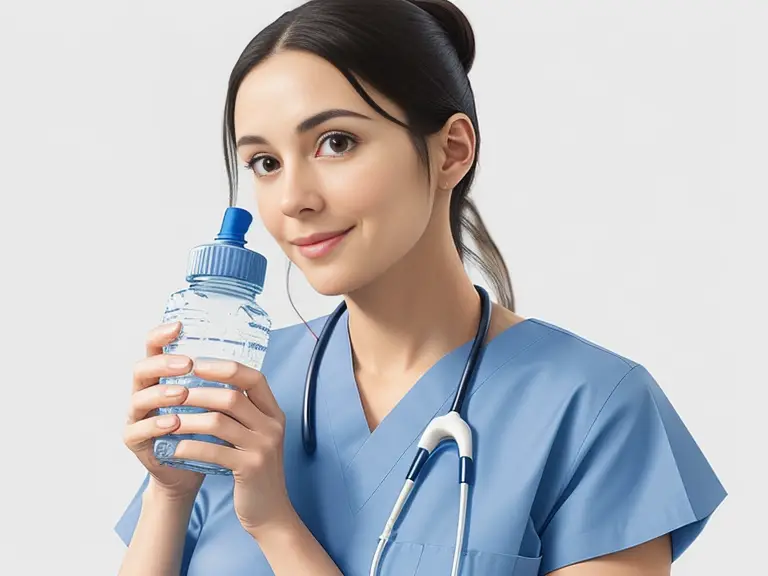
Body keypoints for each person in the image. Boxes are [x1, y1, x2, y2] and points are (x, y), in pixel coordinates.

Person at [114, 0, 727, 574]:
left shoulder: (593, 411)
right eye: (265, 163)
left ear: (450, 152)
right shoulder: (235, 387)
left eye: (336, 143)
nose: (294, 200)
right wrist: (169, 495)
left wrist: (277, 525)